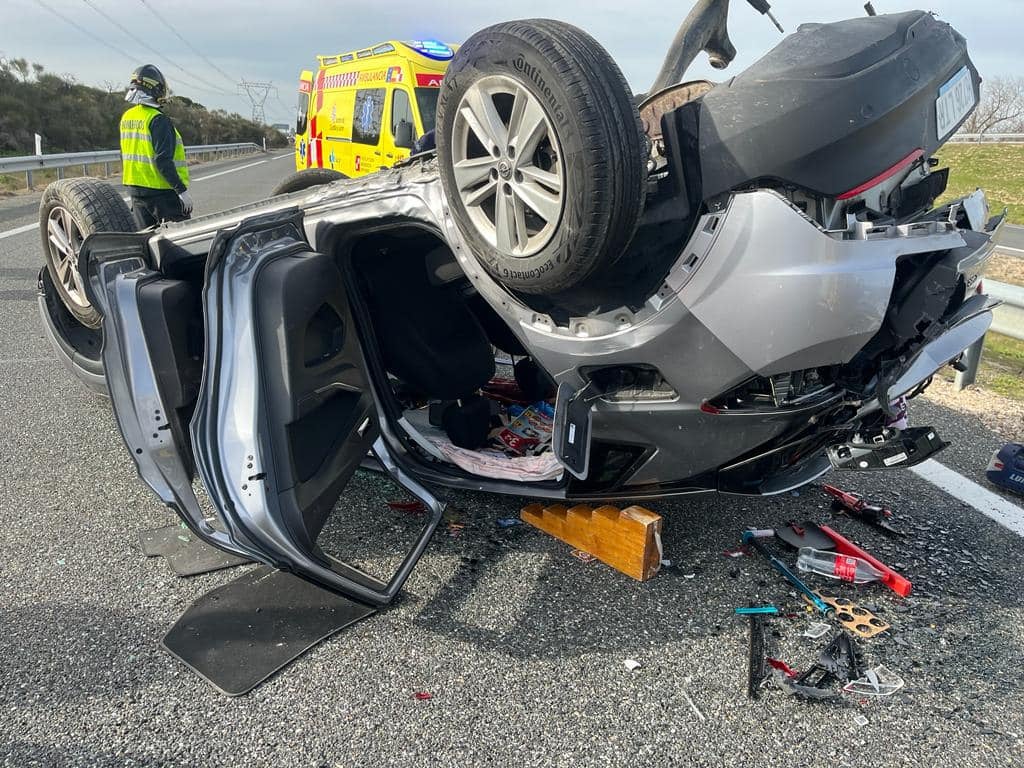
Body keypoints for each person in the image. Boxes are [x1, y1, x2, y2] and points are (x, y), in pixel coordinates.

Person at [119, 65, 193, 228]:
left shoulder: (127, 117)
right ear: (156, 89)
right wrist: (181, 191)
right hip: (163, 193)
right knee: (179, 246)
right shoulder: (158, 120)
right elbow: (163, 160)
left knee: (146, 243)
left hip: (136, 190)